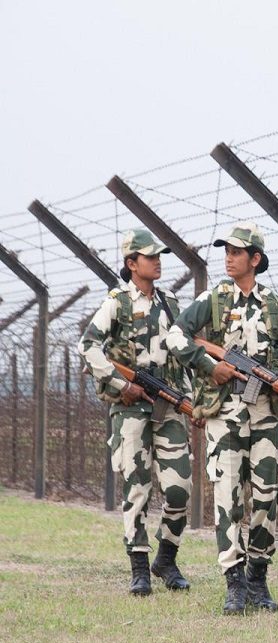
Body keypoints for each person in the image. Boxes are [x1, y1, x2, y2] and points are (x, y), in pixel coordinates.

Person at [166, 221, 278, 615]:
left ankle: (257, 577)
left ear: (256, 259)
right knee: (228, 496)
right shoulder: (212, 299)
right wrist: (209, 365)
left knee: (267, 494)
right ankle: (233, 581)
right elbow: (176, 337)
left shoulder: (274, 305)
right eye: (226, 251)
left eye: (237, 252)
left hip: (265, 413)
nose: (229, 258)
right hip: (225, 413)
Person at [78, 229, 195, 595]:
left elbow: (185, 349)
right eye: (149, 257)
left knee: (179, 490)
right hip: (130, 409)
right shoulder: (116, 303)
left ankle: (167, 559)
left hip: (169, 404)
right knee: (137, 489)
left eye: (159, 256)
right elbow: (88, 346)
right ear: (132, 264)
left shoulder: (172, 302)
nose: (157, 261)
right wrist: (119, 384)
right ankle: (140, 568)